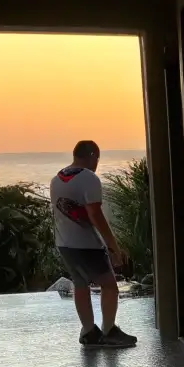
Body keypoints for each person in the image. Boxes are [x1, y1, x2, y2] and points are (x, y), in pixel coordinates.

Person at [50, 142, 137, 349]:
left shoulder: (57, 178)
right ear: (92, 156)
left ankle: (88, 331)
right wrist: (113, 246)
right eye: (97, 158)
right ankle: (108, 331)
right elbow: (95, 215)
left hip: (64, 243)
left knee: (80, 285)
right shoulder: (89, 178)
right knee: (109, 286)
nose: (97, 163)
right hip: (87, 245)